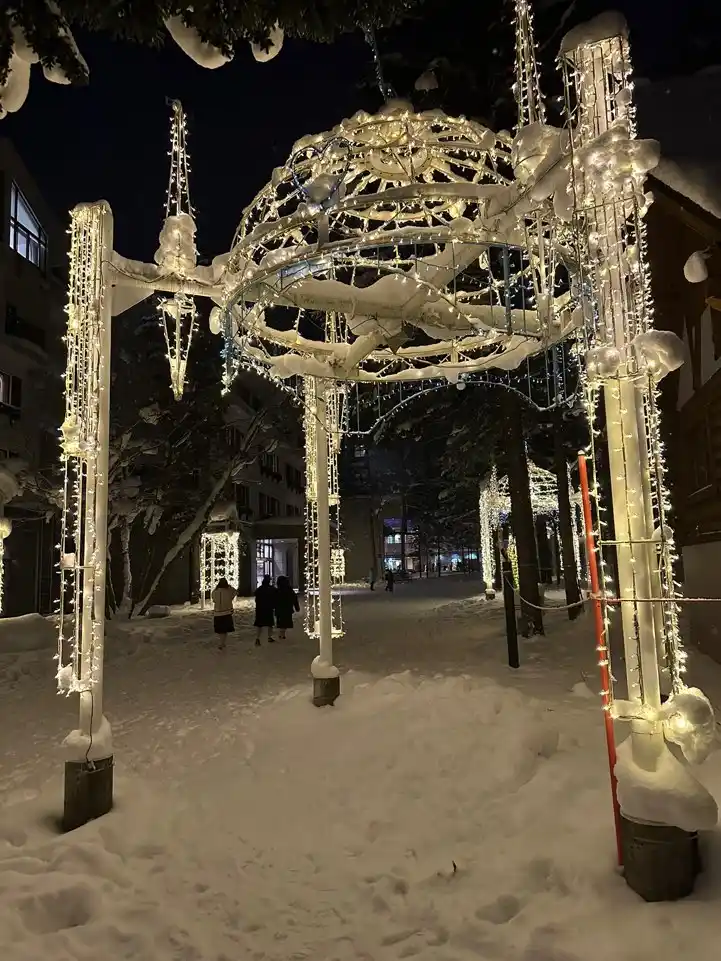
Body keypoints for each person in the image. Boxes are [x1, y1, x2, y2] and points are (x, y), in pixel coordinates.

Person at [211, 577, 236, 650]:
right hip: (227, 612)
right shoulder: (228, 591)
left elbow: (214, 600)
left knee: (220, 629)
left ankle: (221, 642)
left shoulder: (215, 592)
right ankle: (222, 643)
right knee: (225, 629)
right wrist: (230, 587)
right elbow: (235, 592)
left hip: (217, 613)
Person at [274, 575, 300, 640]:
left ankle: (281, 634)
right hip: (287, 609)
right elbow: (295, 599)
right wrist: (297, 607)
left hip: (279, 609)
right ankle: (282, 634)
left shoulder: (277, 590)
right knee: (285, 622)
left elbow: (273, 599)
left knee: (281, 622)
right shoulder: (289, 590)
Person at [254, 574, 276, 646]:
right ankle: (269, 637)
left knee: (259, 625)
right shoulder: (272, 589)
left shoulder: (259, 589)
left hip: (260, 609)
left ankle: (257, 639)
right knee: (270, 624)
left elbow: (256, 599)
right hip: (269, 609)